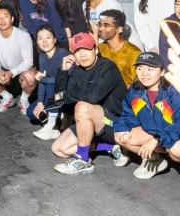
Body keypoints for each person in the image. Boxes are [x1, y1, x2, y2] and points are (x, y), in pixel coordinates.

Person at [51, 32, 128, 175]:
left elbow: (92, 97)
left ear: (96, 50)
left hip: (116, 124)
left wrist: (66, 96)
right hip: (90, 123)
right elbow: (59, 98)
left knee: (82, 106)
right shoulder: (77, 72)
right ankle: (109, 147)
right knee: (59, 148)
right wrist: (63, 71)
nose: (82, 54)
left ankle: (83, 160)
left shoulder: (107, 67)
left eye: (86, 49)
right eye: (77, 51)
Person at [113, 52, 180, 179]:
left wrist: (156, 139)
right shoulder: (136, 90)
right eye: (140, 68)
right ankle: (155, 159)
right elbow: (128, 114)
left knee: (175, 150)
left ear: (161, 72)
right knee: (123, 137)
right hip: (154, 134)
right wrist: (122, 127)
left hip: (173, 135)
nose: (144, 73)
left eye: (150, 69)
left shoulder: (173, 91)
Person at [0, 5, 35, 113]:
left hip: (21, 72)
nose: (2, 20)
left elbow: (28, 61)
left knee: (31, 77)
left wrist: (12, 73)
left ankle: (24, 99)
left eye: (5, 16)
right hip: (3, 75)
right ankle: (7, 97)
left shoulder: (23, 35)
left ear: (12, 19)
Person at [27, 25, 69, 140]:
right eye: (40, 38)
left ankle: (51, 126)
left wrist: (43, 79)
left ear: (54, 40)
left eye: (48, 37)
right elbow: (41, 81)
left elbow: (62, 79)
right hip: (51, 94)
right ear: (37, 42)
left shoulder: (62, 53)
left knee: (52, 84)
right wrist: (40, 102)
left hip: (66, 94)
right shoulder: (42, 57)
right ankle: (56, 116)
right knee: (31, 112)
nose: (44, 41)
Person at [97, 9, 141, 87]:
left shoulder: (134, 53)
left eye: (106, 25)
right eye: (100, 24)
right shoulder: (99, 49)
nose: (100, 28)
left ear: (119, 29)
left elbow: (137, 84)